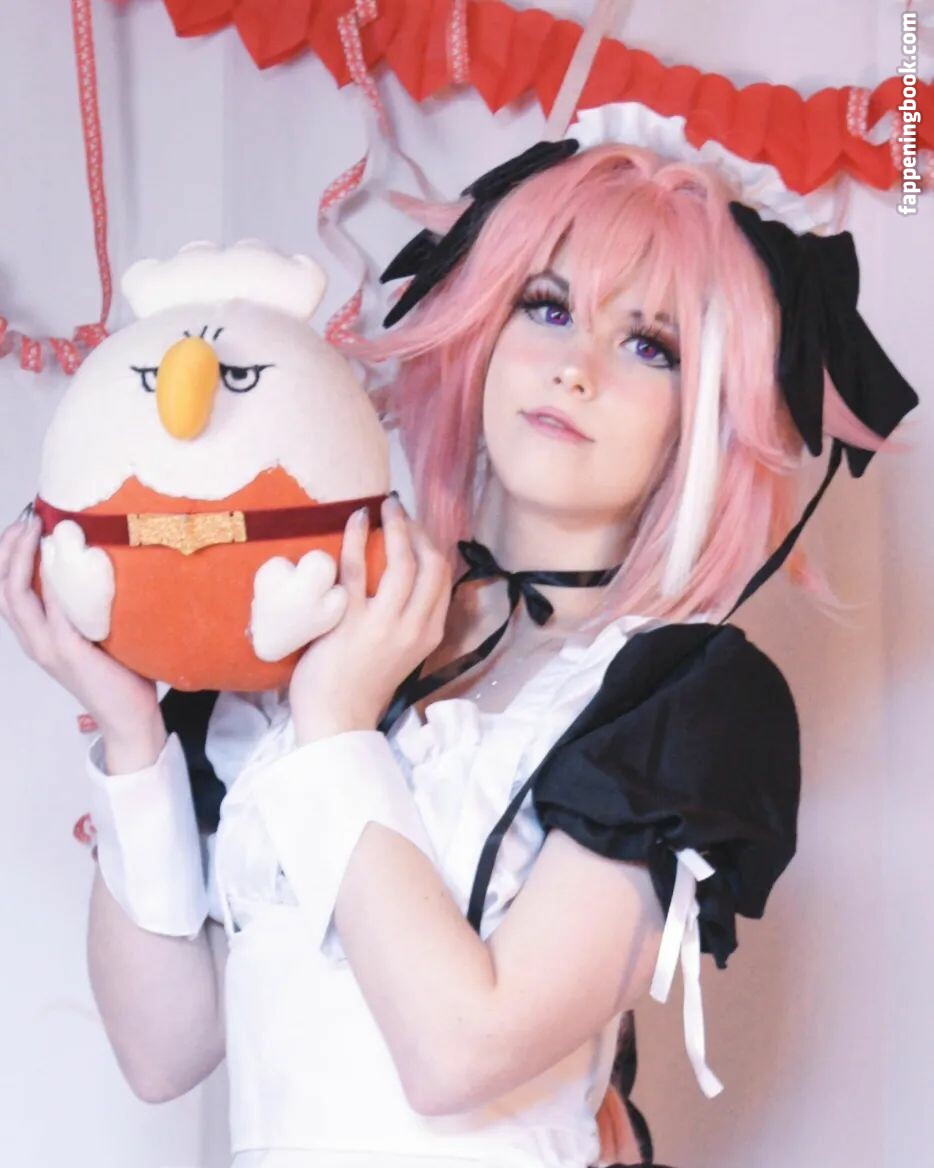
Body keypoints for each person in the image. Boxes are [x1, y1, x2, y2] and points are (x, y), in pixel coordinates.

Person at [0, 107, 916, 1168]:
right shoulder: (321, 612)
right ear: (484, 324)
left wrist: (335, 726)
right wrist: (133, 741)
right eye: (547, 306)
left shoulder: (685, 698)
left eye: (647, 343)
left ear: (706, 409)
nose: (576, 368)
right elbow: (163, 1050)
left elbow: (458, 1051)